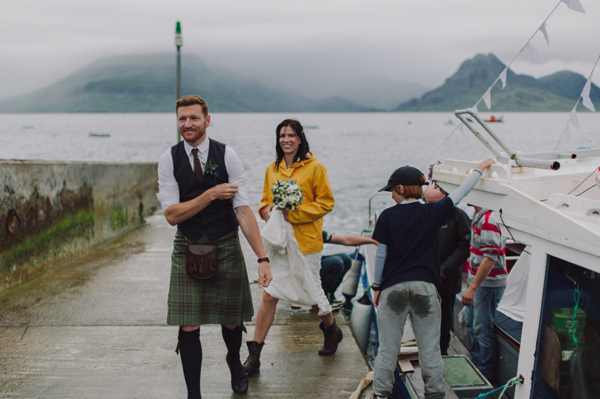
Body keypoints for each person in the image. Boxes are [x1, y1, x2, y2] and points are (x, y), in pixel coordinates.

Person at [157, 95, 273, 398]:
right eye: (182, 119)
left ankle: (234, 362)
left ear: (207, 120)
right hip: (188, 244)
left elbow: (243, 210)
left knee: (232, 319)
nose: (187, 124)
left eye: (194, 118)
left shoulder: (227, 155)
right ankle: (193, 394)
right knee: (188, 326)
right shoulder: (169, 158)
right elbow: (172, 215)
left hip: (225, 242)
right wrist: (210, 195)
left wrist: (262, 258)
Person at [370, 159, 495, 399]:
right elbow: (462, 192)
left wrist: (377, 285)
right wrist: (479, 168)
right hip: (425, 289)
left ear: (401, 189)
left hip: (393, 288)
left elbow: (381, 254)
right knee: (430, 349)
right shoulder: (433, 211)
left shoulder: (387, 216)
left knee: (388, 348)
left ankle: (380, 395)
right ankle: (435, 394)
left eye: (392, 191)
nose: (391, 197)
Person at [243, 119, 339, 376]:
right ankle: (255, 354)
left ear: (300, 138)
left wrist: (293, 214)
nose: (286, 139)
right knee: (269, 294)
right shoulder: (271, 169)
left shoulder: (315, 167)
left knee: (312, 296)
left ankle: (332, 330)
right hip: (279, 243)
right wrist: (269, 213)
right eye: (282, 135)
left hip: (306, 242)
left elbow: (326, 203)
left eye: (291, 135)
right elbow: (264, 202)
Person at [461, 206, 507, 382]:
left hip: (487, 285)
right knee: (472, 324)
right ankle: (477, 364)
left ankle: (485, 374)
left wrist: (473, 287)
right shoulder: (479, 217)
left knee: (482, 329)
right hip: (479, 282)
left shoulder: (488, 220)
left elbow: (490, 257)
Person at [425, 183, 471, 355]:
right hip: (426, 276)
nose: (431, 207)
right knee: (425, 315)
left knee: (445, 318)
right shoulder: (425, 215)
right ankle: (427, 348)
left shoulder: (459, 217)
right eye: (428, 203)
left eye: (434, 203)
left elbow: (465, 246)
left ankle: (443, 351)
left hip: (447, 278)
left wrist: (445, 268)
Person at [320, 230, 377, 304]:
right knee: (336, 263)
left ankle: (330, 294)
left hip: (314, 264)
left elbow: (346, 240)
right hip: (304, 270)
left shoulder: (316, 232)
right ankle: (322, 299)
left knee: (345, 259)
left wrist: (373, 241)